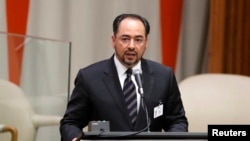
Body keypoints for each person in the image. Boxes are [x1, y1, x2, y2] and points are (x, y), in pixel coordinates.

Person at [60, 13, 188, 141]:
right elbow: (71, 123)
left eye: (138, 40)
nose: (131, 46)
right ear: (113, 40)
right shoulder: (89, 77)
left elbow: (177, 121)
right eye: (125, 39)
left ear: (146, 42)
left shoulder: (164, 76)